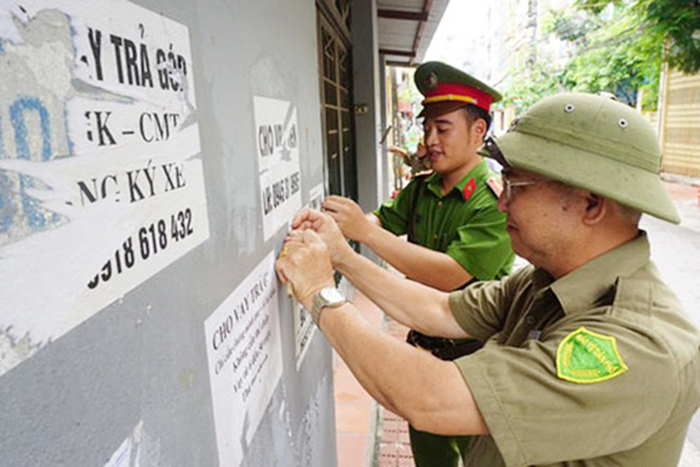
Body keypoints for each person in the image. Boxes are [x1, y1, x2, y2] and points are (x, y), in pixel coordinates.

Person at [276, 92, 700, 466]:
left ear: (590, 205)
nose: (500, 203)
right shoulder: (546, 282)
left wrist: (319, 293)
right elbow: (440, 309)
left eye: (517, 187)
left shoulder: (638, 347)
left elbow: (430, 398)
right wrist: (342, 256)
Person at [322, 62, 515, 465]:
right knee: (430, 454)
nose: (430, 140)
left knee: (482, 457)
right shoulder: (422, 187)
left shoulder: (493, 199)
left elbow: (450, 274)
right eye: (427, 128)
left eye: (443, 129)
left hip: (475, 359)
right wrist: (338, 230)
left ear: (478, 132)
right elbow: (382, 219)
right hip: (425, 349)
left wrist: (366, 234)